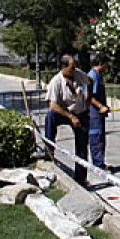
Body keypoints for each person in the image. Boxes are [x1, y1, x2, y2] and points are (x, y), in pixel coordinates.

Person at [44, 54, 91, 184]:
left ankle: (81, 178)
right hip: (64, 112)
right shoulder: (56, 82)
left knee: (82, 145)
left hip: (79, 112)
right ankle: (49, 149)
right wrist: (70, 116)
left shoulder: (78, 74)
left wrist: (88, 100)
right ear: (63, 67)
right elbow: (52, 105)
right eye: (71, 67)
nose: (74, 70)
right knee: (50, 117)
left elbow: (90, 81)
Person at [87, 52, 111, 171]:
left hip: (99, 114)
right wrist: (101, 106)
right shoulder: (93, 76)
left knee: (101, 138)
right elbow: (90, 96)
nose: (107, 67)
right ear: (101, 63)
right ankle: (98, 165)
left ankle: (100, 162)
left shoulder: (98, 75)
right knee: (96, 137)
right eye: (106, 64)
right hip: (94, 114)